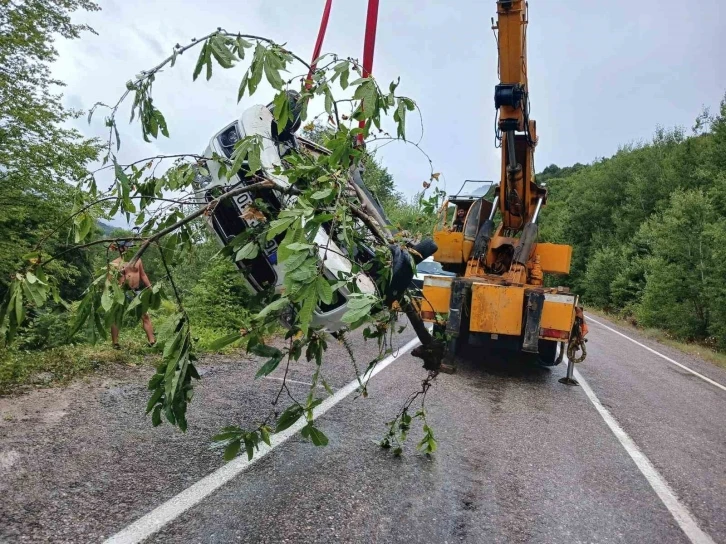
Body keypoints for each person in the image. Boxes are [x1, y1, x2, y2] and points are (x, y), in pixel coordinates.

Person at [109, 241, 156, 349]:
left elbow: (143, 275)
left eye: (131, 247)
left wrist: (150, 288)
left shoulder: (137, 260)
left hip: (136, 291)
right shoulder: (114, 263)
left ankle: (152, 341)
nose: (130, 249)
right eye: (127, 247)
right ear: (121, 248)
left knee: (145, 315)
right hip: (121, 292)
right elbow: (110, 280)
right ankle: (115, 343)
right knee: (116, 316)